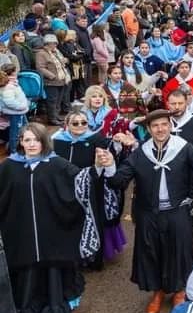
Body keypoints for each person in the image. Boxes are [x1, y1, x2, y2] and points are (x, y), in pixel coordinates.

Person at [95, 109, 193, 313]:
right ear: (148, 129)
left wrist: (190, 196)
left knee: (180, 251)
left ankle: (179, 291)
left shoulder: (183, 148)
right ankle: (157, 291)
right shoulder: (141, 153)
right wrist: (111, 165)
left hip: (177, 210)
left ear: (170, 126)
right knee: (152, 252)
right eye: (155, 126)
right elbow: (119, 181)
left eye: (164, 124)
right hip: (148, 213)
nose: (160, 129)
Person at [0, 123, 88, 313]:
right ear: (21, 142)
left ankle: (55, 306)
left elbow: (82, 182)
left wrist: (101, 168)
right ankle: (26, 307)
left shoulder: (57, 164)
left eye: (37, 140)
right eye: (27, 140)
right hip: (21, 234)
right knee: (26, 271)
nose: (32, 144)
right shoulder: (8, 166)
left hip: (52, 234)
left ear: (44, 142)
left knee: (52, 272)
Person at [51, 111, 133, 269]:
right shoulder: (57, 142)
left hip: (92, 189)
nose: (80, 126)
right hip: (66, 189)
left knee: (91, 222)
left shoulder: (96, 138)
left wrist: (117, 143)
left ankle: (92, 256)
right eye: (75, 123)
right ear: (67, 125)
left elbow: (113, 155)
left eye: (84, 123)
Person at [35, 33, 71, 126]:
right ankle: (52, 119)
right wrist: (52, 76)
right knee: (52, 101)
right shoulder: (41, 53)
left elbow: (62, 60)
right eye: (53, 43)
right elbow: (40, 68)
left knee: (58, 100)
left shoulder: (56, 51)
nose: (55, 45)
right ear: (47, 44)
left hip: (61, 80)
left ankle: (56, 116)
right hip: (51, 82)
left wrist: (65, 60)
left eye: (55, 43)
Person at [0, 66, 29, 152]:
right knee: (15, 132)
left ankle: (20, 147)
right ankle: (13, 151)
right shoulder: (8, 87)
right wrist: (21, 106)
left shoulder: (13, 83)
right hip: (16, 112)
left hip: (19, 112)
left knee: (25, 128)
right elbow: (9, 102)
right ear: (13, 73)